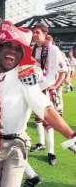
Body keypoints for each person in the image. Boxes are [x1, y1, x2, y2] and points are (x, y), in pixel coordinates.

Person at [0, 21, 76, 187]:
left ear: (23, 53)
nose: (12, 52)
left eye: (17, 48)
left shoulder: (25, 78)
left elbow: (46, 109)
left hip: (15, 144)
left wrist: (71, 135)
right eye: (8, 46)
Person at [30, 23, 67, 165]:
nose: (34, 35)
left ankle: (51, 152)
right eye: (33, 32)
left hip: (46, 88)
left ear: (45, 34)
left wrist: (56, 85)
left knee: (48, 121)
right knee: (38, 119)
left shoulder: (53, 49)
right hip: (35, 87)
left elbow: (63, 70)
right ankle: (41, 143)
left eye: (37, 32)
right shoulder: (34, 49)